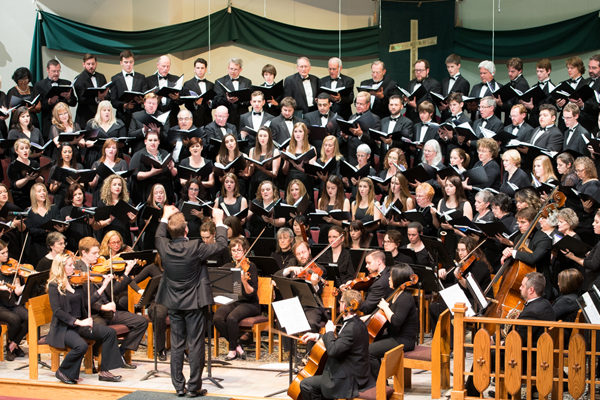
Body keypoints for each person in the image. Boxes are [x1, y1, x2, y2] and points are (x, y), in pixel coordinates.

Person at [155, 204, 227, 397]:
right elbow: (221, 246)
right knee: (195, 344)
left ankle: (179, 386)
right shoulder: (195, 247)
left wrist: (164, 217)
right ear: (186, 229)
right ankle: (194, 387)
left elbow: (159, 236)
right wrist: (219, 222)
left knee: (177, 344)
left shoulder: (165, 247)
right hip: (193, 303)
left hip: (174, 303)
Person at [465, 272, 555, 397]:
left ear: (531, 290)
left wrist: (500, 342)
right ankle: (503, 393)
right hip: (537, 354)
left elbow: (517, 341)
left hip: (527, 359)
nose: (519, 288)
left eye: (522, 286)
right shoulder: (544, 304)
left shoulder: (532, 312)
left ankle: (470, 394)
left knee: (484, 354)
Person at [46, 253, 124, 384]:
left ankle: (105, 371)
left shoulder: (75, 282)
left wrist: (104, 285)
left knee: (109, 333)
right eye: (70, 265)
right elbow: (58, 312)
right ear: (60, 267)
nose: (73, 267)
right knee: (81, 346)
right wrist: (79, 322)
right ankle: (63, 371)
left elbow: (87, 302)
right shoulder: (54, 286)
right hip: (64, 328)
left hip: (80, 325)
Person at [75, 237, 147, 367]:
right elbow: (84, 300)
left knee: (141, 322)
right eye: (94, 253)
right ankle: (94, 357)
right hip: (93, 314)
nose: (98, 256)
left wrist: (125, 273)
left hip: (108, 311)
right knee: (103, 330)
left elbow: (110, 292)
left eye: (98, 253)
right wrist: (103, 307)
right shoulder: (77, 271)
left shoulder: (98, 268)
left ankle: (120, 353)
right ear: (84, 253)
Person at [299, 289, 373, 400]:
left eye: (341, 301)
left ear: (345, 305)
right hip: (356, 372)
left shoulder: (351, 328)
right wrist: (317, 336)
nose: (339, 304)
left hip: (349, 379)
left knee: (306, 384)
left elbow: (333, 351)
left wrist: (328, 332)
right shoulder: (357, 322)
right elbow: (341, 342)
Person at [368, 263, 418, 380]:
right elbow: (382, 315)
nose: (389, 278)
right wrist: (366, 318)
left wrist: (386, 307)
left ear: (398, 278)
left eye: (391, 276)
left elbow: (396, 321)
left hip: (403, 340)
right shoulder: (395, 294)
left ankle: (380, 384)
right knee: (366, 343)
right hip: (394, 336)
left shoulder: (405, 297)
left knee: (369, 352)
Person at [214, 237, 259, 361]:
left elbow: (251, 293)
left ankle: (232, 350)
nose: (236, 253)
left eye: (239, 250)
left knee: (232, 318)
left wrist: (244, 281)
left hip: (250, 303)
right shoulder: (229, 266)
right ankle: (237, 345)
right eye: (233, 250)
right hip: (234, 301)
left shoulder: (251, 267)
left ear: (245, 251)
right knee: (217, 318)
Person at [128, 130, 178, 204]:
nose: (153, 142)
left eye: (155, 140)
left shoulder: (165, 153)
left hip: (164, 189)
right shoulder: (138, 155)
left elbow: (174, 174)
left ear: (159, 142)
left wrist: (172, 168)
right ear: (145, 141)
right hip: (146, 190)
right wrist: (151, 173)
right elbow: (135, 175)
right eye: (150, 140)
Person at [33, 59, 77, 139]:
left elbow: (74, 103)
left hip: (65, 123)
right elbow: (38, 107)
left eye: (58, 71)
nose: (56, 74)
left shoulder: (67, 83)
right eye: (54, 71)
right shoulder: (39, 85)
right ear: (47, 70)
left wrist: (68, 98)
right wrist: (49, 102)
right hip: (48, 122)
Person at [0, 240, 27, 361]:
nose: (6, 255)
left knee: (30, 318)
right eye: (2, 253)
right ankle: (12, 346)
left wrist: (28, 284)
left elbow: (16, 291)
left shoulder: (12, 266)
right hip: (0, 306)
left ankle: (13, 344)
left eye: (7, 252)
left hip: (11, 303)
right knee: (15, 320)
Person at [342, 250, 392, 314]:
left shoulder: (379, 284)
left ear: (379, 262)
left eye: (369, 263)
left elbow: (365, 308)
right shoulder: (389, 271)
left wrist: (350, 294)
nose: (366, 266)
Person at [338, 91, 378, 166]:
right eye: (357, 103)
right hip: (351, 158)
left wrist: (361, 134)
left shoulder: (375, 119)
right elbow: (349, 137)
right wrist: (345, 137)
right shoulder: (352, 117)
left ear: (368, 104)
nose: (358, 106)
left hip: (365, 160)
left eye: (361, 104)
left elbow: (374, 141)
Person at [110, 50, 147, 130]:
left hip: (138, 116)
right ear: (121, 63)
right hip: (122, 117)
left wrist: (142, 101)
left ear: (133, 62)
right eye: (126, 62)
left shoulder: (141, 77)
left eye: (131, 62)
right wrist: (124, 105)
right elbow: (113, 101)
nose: (128, 65)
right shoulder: (115, 79)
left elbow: (146, 95)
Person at [84, 101, 127, 168]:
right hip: (95, 155)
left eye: (109, 110)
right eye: (104, 110)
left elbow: (123, 143)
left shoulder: (119, 124)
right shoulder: (92, 124)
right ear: (99, 111)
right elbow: (86, 141)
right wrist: (93, 143)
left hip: (114, 155)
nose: (107, 112)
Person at [212, 58, 252, 129]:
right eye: (231, 68)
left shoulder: (247, 82)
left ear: (240, 70)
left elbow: (250, 100)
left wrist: (240, 101)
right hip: (226, 118)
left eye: (235, 69)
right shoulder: (219, 82)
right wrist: (227, 100)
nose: (233, 71)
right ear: (228, 68)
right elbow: (216, 100)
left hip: (242, 117)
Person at [74, 53, 109, 128]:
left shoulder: (101, 77)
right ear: (83, 64)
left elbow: (107, 95)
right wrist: (97, 98)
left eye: (93, 64)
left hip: (101, 116)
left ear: (96, 63)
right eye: (88, 64)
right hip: (85, 116)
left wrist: (104, 97)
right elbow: (82, 99)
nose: (91, 66)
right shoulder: (79, 79)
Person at [7, 138, 44, 208]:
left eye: (27, 148)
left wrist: (39, 178)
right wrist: (27, 179)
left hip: (34, 194)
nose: (25, 151)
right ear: (16, 151)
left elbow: (41, 181)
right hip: (20, 197)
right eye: (22, 148)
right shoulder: (13, 166)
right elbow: (15, 185)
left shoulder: (34, 163)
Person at [246, 126, 280, 199]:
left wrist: (261, 168)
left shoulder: (275, 151)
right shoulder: (252, 151)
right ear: (257, 137)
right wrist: (251, 166)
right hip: (254, 184)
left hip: (269, 185)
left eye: (265, 136)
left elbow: (275, 174)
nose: (262, 138)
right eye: (260, 136)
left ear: (269, 137)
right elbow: (250, 173)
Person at [404, 59, 442, 123]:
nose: (418, 72)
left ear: (427, 70)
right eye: (416, 70)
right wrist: (405, 101)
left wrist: (416, 106)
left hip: (425, 122)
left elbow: (430, 104)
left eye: (421, 70)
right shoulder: (411, 83)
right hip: (409, 121)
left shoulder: (434, 84)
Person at [182, 57, 214, 128]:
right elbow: (186, 103)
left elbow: (215, 101)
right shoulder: (187, 84)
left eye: (202, 68)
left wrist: (210, 103)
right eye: (198, 68)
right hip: (193, 120)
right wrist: (195, 103)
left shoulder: (211, 85)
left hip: (208, 120)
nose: (200, 70)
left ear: (205, 69)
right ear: (194, 69)